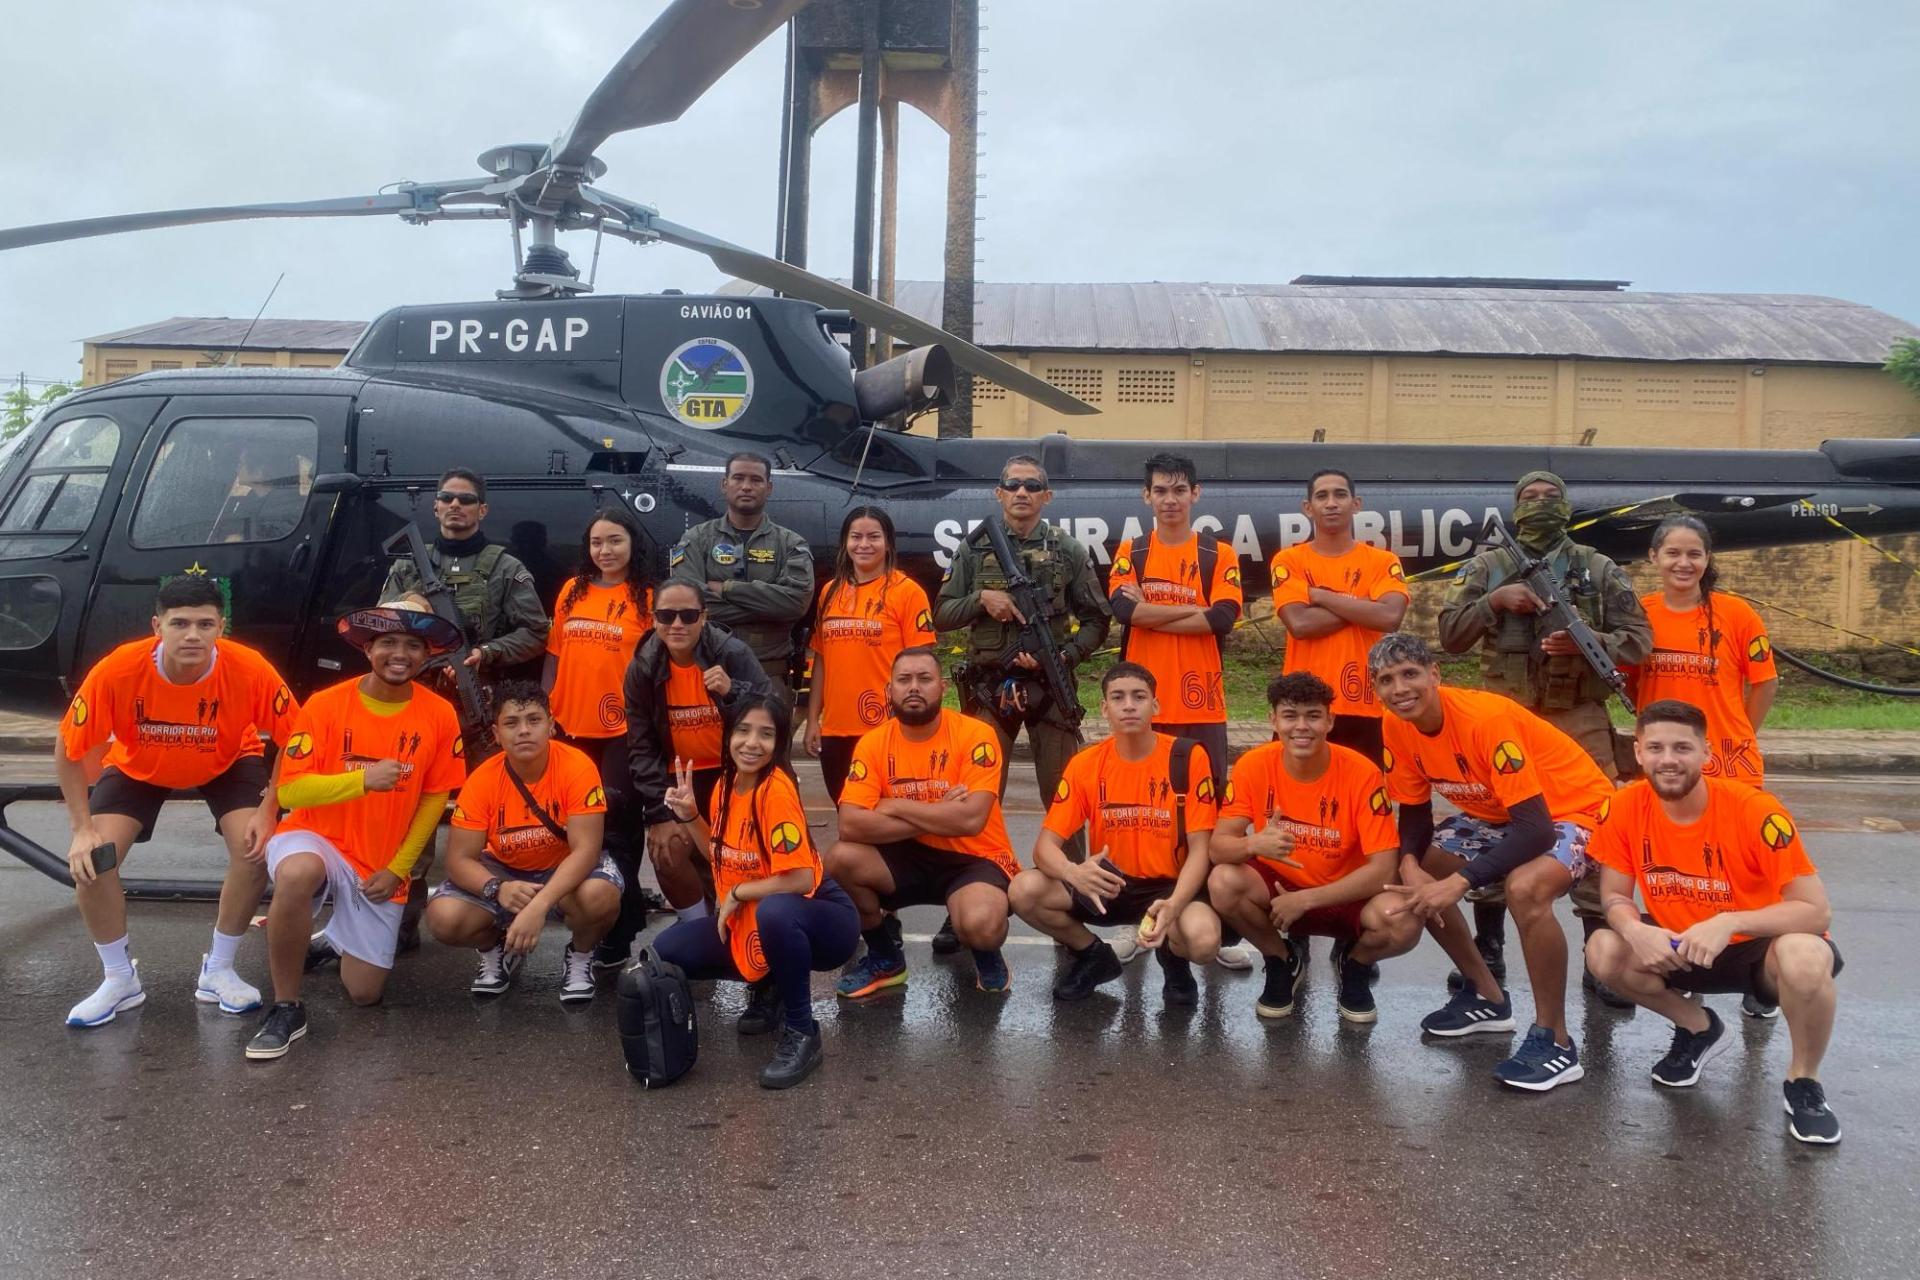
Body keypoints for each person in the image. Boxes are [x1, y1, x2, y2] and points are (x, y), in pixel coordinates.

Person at [1435, 468, 1651, 1006]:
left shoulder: (1597, 567)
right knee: (1495, 823)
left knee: (1598, 835)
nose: (1539, 504)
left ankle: (1600, 956)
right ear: (1514, 508)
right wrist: (1495, 601)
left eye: (1550, 496)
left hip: (1575, 717)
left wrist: (1587, 641)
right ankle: (1488, 950)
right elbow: (1449, 635)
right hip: (1502, 720)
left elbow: (1639, 643)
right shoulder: (1487, 566)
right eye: (1528, 497)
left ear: (1567, 505)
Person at [1585, 700, 1841, 1144]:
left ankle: (1804, 1082)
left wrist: (1729, 921)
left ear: (1706, 753)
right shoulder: (1623, 807)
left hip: (1755, 949)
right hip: (1680, 947)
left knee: (1806, 955)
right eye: (1657, 747)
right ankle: (1697, 1027)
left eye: (1683, 747)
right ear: (1639, 753)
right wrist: (1634, 930)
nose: (1669, 760)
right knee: (1602, 951)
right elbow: (1613, 896)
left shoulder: (1755, 810)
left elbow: (1815, 910)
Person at [1370, 632, 1613, 1092]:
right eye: (1387, 680)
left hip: (1576, 810)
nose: (1400, 688)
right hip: (1503, 813)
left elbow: (1537, 829)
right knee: (1413, 872)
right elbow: (1415, 808)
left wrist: (1460, 882)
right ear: (1376, 689)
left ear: (1434, 675)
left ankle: (1555, 1041)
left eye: (1410, 674)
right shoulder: (1394, 724)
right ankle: (1485, 994)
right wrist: (1408, 865)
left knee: (1526, 889)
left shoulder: (1485, 719)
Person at [56, 575, 300, 1027]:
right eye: (180, 623)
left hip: (227, 758)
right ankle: (118, 979)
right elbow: (67, 748)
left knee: (254, 850)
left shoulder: (249, 667)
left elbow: (297, 738)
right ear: (157, 626)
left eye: (205, 624)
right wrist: (81, 829)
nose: (193, 635)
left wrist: (270, 808)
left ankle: (219, 970)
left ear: (221, 628)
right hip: (138, 763)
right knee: (95, 861)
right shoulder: (118, 669)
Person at [247, 598, 467, 1059]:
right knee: (296, 874)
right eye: (388, 642)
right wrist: (362, 780)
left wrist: (399, 868)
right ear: (368, 649)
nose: (399, 654)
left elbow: (434, 800)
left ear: (427, 655)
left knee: (365, 993)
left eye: (412, 644)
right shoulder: (326, 704)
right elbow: (291, 793)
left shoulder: (439, 714)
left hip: (378, 859)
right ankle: (287, 1007)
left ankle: (331, 936)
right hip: (315, 838)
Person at [934, 454, 1111, 955]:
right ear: (999, 492)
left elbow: (1098, 620)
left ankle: (1073, 898)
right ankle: (965, 901)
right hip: (991, 687)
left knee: (1066, 797)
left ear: (1046, 496)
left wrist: (1065, 654)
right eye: (1012, 484)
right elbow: (941, 613)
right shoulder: (974, 552)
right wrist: (982, 600)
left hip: (1050, 691)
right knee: (977, 801)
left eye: (1033, 486)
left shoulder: (1068, 551)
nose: (1022, 493)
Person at [653, 696, 861, 1089]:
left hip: (823, 918)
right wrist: (691, 816)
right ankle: (770, 986)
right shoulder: (727, 784)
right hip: (763, 915)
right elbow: (719, 853)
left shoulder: (776, 790)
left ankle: (802, 1032)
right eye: (743, 730)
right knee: (668, 950)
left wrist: (740, 892)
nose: (752, 743)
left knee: (775, 912)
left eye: (766, 734)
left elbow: (800, 879)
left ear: (779, 742)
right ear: (728, 735)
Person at [380, 467, 550, 947]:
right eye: (447, 498)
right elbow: (381, 628)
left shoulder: (504, 567)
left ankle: (495, 920)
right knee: (409, 811)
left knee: (493, 816)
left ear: (482, 509)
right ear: (435, 507)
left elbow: (536, 631)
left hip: (483, 708)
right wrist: (425, 643)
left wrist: (485, 654)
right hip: (419, 705)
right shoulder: (408, 568)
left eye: (466, 499)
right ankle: (399, 921)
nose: (456, 506)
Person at [1208, 673, 1420, 1024]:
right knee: (1223, 881)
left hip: (1345, 892)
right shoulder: (1252, 765)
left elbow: (1384, 868)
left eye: (1313, 715)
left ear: (1330, 720)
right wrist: (1253, 843)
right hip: (1279, 888)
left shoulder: (1362, 773)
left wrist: (1306, 900)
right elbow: (1218, 848)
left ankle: (1355, 964)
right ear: (1273, 720)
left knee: (1404, 918)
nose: (1301, 726)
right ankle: (1281, 960)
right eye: (1290, 716)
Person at [1010, 662, 1222, 1006]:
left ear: (1155, 706)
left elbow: (1201, 849)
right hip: (1109, 883)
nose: (1128, 705)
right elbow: (1044, 848)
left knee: (1203, 940)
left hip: (1170, 885)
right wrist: (1073, 872)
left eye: (1139, 697)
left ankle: (1174, 961)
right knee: (1024, 890)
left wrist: (1175, 904)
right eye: (1118, 697)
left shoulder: (1187, 757)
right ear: (1105, 708)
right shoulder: (1086, 764)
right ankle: (1094, 956)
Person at [824, 647, 1019, 996]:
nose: (914, 687)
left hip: (973, 858)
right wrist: (938, 813)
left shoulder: (976, 735)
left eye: (924, 679)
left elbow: (971, 820)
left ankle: (985, 952)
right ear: (889, 690)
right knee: (840, 858)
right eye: (904, 680)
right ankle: (886, 958)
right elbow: (850, 825)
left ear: (942, 687)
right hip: (907, 857)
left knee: (982, 926)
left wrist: (892, 804)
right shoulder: (872, 743)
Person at [424, 682, 622, 1003]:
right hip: (505, 870)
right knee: (444, 918)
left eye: (534, 720)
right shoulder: (482, 780)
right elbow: (459, 859)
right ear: (497, 733)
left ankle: (581, 955)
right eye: (511, 723)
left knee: (601, 897)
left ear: (552, 725)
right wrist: (496, 888)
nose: (524, 731)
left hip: (564, 866)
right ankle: (497, 948)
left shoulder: (578, 766)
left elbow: (586, 849)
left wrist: (539, 907)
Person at [544, 505, 657, 967]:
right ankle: (586, 913)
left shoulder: (648, 598)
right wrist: (546, 707)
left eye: (615, 541)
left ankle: (620, 933)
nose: (605, 550)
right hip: (570, 728)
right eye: (596, 542)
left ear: (633, 545)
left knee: (618, 833)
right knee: (572, 830)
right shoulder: (572, 591)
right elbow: (554, 655)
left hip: (621, 732)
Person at [624, 580, 768, 922]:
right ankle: (698, 927)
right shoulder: (643, 668)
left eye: (688, 615)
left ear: (704, 617)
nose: (677, 625)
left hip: (733, 774)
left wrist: (734, 691)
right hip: (680, 781)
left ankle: (756, 920)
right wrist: (658, 813)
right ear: (654, 619)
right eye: (666, 615)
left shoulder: (731, 653)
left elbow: (771, 711)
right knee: (666, 851)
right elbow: (641, 747)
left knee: (753, 850)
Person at [1106, 451, 1241, 792]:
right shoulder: (1131, 551)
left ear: (1195, 493)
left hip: (1202, 707)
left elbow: (1223, 618)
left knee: (1206, 807)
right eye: (1161, 491)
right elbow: (1126, 613)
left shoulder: (1218, 554)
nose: (1170, 500)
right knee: (1145, 803)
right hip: (1143, 705)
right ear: (1147, 495)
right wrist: (1198, 611)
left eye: (1179, 490)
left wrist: (1150, 612)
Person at [1269, 469, 1409, 767]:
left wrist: (1319, 595)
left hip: (1365, 706)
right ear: (1308, 508)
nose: (1331, 503)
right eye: (1322, 496)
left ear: (1356, 504)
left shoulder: (1383, 561)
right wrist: (1365, 607)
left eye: (1340, 495)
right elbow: (1301, 625)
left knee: (1360, 800)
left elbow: (1390, 617)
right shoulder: (1288, 561)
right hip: (1303, 707)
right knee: (1298, 802)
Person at [1627, 516, 1777, 785]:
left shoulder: (1738, 615)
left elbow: (1765, 682)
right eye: (1673, 553)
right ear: (1653, 556)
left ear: (1707, 558)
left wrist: (1742, 735)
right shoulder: (1639, 616)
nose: (1683, 563)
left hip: (1729, 767)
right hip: (1664, 765)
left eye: (1694, 554)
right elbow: (1627, 681)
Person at [805, 506, 937, 802]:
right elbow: (822, 661)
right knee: (849, 819)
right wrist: (814, 719)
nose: (864, 544)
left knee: (888, 820)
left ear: (888, 543)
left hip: (887, 728)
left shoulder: (908, 592)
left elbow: (924, 666)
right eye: (856, 537)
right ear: (845, 543)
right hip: (836, 730)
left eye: (873, 537)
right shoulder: (829, 592)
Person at [668, 452, 813, 702]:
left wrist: (726, 589)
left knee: (766, 742)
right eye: (738, 478)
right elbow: (687, 606)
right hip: (707, 674)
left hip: (770, 677)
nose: (746, 486)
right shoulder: (697, 539)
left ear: (769, 488)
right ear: (725, 485)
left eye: (756, 480)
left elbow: (795, 603)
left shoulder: (790, 543)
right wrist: (768, 606)